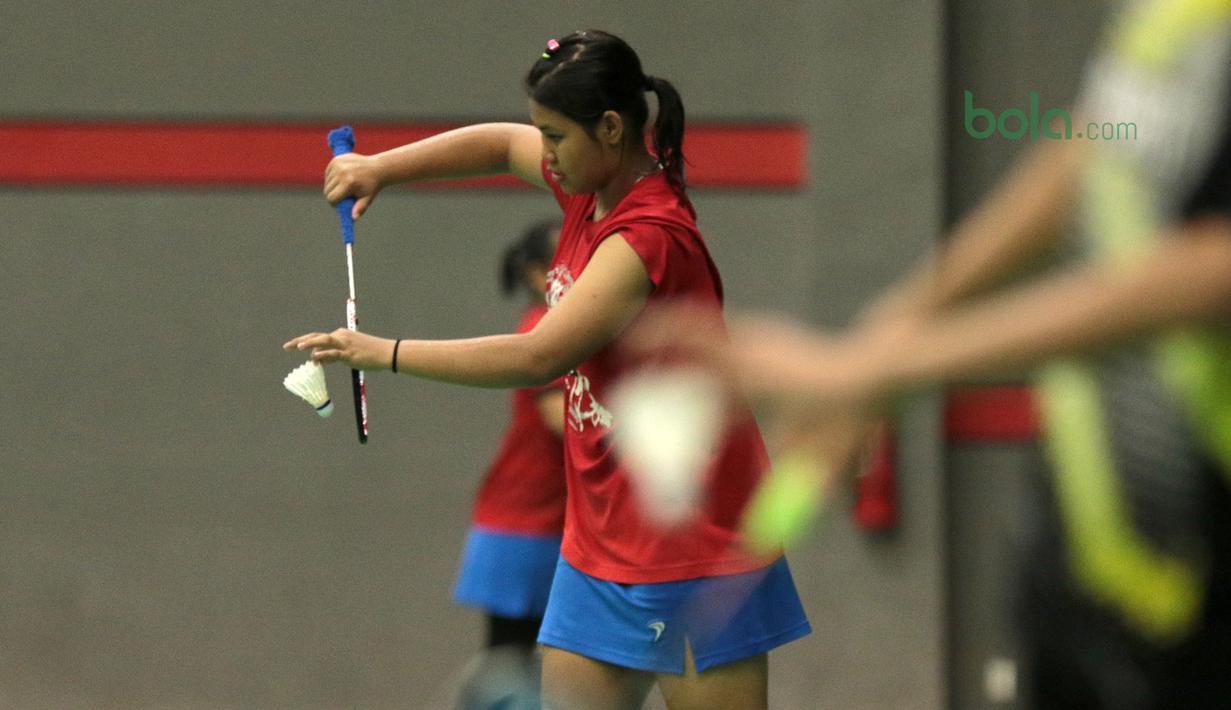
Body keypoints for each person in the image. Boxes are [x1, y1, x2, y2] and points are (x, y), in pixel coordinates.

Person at [629, 2, 1231, 707]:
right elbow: (1104, 142)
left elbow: (1213, 264)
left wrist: (867, 368)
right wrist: (890, 331)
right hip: (1099, 556)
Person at [286, 30, 810, 710]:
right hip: (597, 544)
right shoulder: (586, 189)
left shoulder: (645, 237)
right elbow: (501, 146)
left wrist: (381, 353)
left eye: (555, 136)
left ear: (612, 129)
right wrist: (381, 167)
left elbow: (540, 355)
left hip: (690, 550)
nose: (545, 153)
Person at [452, 219, 565, 710]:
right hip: (523, 530)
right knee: (512, 679)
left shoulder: (579, 330)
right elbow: (564, 418)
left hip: (553, 529)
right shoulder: (540, 331)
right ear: (540, 275)